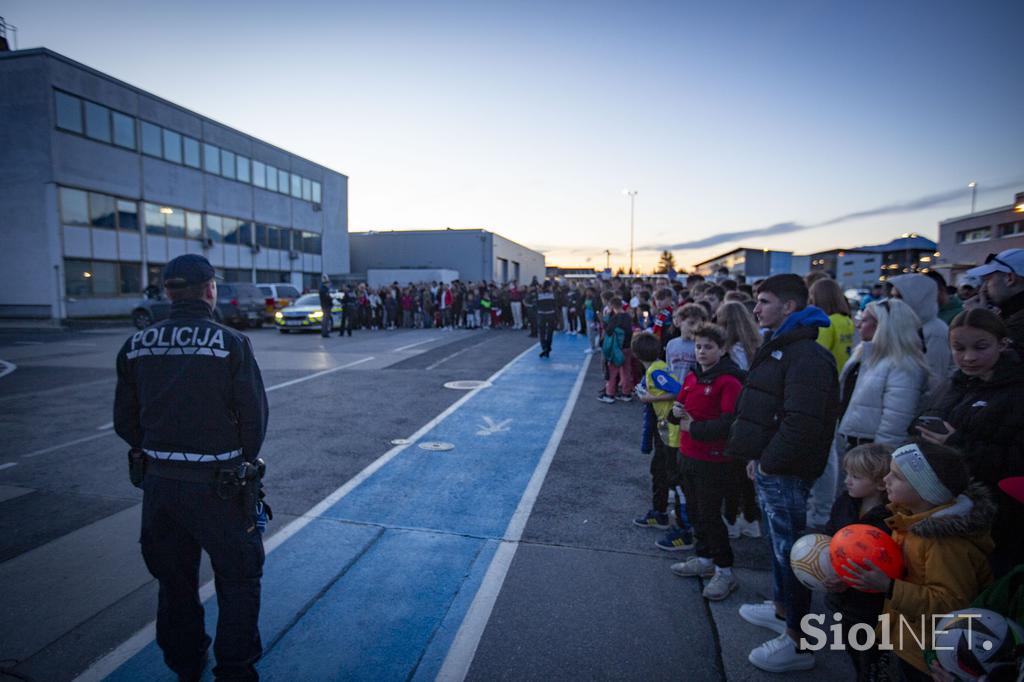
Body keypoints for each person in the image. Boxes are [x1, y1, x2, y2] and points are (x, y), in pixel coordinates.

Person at [114, 254, 269, 682]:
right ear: (210, 290)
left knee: (175, 581)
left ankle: (185, 663)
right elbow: (254, 419)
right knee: (239, 579)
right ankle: (235, 669)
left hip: (160, 486)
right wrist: (235, 459)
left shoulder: (136, 344)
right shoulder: (230, 343)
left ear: (167, 292)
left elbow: (124, 421)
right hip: (218, 486)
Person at [725, 273, 840, 673]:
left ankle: (800, 641)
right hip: (774, 466)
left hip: (786, 471)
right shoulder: (784, 346)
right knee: (779, 547)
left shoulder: (806, 355)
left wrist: (770, 460)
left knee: (793, 554)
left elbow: (801, 422)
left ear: (789, 307)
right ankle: (781, 610)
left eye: (764, 301)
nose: (756, 309)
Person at [843, 442, 994, 681]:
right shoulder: (907, 518)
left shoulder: (944, 543)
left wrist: (890, 586)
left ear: (926, 490)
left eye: (897, 476)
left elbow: (951, 605)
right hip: (901, 638)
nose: (886, 478)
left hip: (923, 654)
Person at [915, 308, 1024, 575]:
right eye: (959, 348)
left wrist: (958, 442)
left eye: (980, 347)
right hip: (947, 508)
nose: (969, 357)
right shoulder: (954, 384)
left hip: (999, 520)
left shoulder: (1017, 391)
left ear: (1002, 343)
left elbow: (1016, 461)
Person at [806, 298, 930, 530]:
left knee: (872, 511)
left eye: (865, 321)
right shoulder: (866, 354)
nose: (858, 326)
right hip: (856, 443)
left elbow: (896, 418)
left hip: (874, 452)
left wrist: (881, 462)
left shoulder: (903, 365)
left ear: (884, 326)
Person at [666, 324, 745, 600]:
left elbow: (729, 423)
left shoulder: (729, 381)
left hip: (713, 460)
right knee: (696, 512)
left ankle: (725, 570)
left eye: (708, 347)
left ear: (722, 350)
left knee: (711, 515)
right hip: (687, 454)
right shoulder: (692, 376)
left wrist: (694, 428)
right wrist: (675, 413)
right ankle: (704, 557)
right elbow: (680, 410)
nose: (701, 352)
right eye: (698, 346)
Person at [822, 443, 894, 680]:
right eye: (847, 475)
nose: (847, 481)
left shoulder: (890, 519)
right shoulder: (845, 502)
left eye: (856, 476)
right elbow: (830, 535)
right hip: (843, 597)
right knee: (850, 642)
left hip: (870, 604)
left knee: (870, 652)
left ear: (881, 483)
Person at [632, 333, 693, 550]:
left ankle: (684, 527)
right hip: (665, 428)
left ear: (635, 353)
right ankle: (660, 514)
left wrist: (650, 398)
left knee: (673, 476)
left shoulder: (655, 370)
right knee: (660, 470)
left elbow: (677, 391)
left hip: (672, 430)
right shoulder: (658, 366)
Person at [713, 301, 763, 539]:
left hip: (733, 415)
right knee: (747, 472)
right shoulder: (758, 346)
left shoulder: (729, 353)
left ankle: (731, 519)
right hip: (756, 414)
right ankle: (751, 518)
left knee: (731, 472)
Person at [889, 273, 953, 400]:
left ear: (917, 298)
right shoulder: (909, 327)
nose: (893, 302)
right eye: (892, 297)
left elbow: (935, 380)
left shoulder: (935, 331)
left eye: (899, 297)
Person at [965, 248, 1024, 350]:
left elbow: (992, 359)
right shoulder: (1013, 314)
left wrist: (980, 320)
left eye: (988, 280)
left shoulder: (1018, 323)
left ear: (1009, 278)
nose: (982, 289)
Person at [809, 278, 855, 374]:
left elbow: (817, 356)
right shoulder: (847, 320)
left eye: (813, 295)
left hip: (829, 375)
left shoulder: (826, 323)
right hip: (843, 372)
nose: (811, 299)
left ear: (820, 297)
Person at [597, 296, 635, 401]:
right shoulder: (627, 316)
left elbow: (608, 331)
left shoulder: (616, 318)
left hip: (617, 349)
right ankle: (626, 393)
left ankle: (610, 394)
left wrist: (603, 320)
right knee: (626, 371)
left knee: (612, 371)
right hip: (628, 347)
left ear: (612, 306)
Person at [664, 303, 708, 383]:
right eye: (691, 323)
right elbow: (669, 368)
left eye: (699, 325)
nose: (695, 328)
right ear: (679, 322)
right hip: (675, 389)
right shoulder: (671, 344)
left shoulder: (700, 346)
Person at [536, 281, 557, 358]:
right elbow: (555, 305)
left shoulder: (539, 294)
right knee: (549, 333)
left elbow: (536, 304)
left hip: (541, 314)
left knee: (542, 333)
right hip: (550, 314)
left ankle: (544, 347)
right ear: (548, 287)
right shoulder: (552, 294)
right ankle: (547, 348)